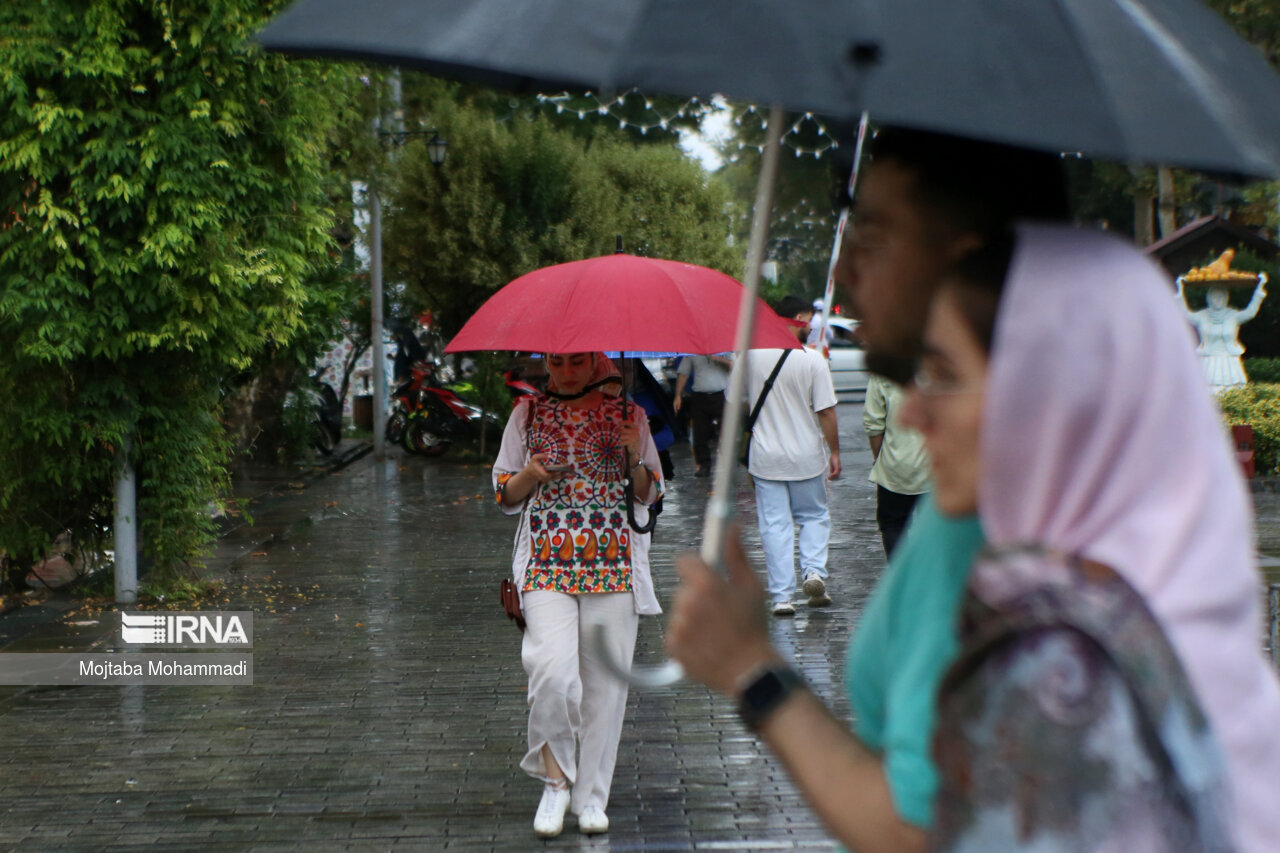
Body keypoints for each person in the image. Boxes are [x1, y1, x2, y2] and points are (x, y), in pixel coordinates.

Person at [665, 127, 1072, 852]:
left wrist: (753, 668)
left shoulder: (1053, 571)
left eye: (875, 232)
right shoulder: (964, 510)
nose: (846, 269)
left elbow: (918, 829)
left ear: (961, 249)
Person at [903, 225, 1280, 849]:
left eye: (944, 374)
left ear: (1049, 396)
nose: (913, 411)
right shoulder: (1187, 595)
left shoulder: (1058, 667)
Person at [492, 352, 663, 838]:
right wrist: (531, 474)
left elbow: (650, 493)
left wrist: (633, 457)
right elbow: (504, 490)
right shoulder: (526, 414)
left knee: (605, 691)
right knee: (550, 671)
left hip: (613, 566)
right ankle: (554, 781)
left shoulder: (631, 416)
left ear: (595, 363)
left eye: (577, 362)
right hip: (546, 565)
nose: (567, 371)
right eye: (558, 362)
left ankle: (592, 798)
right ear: (548, 363)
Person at [738, 295, 840, 615]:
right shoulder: (813, 360)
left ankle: (782, 597)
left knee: (774, 526)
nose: (812, 326)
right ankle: (813, 572)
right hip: (807, 457)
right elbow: (826, 412)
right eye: (809, 319)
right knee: (813, 517)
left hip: (765, 458)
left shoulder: (748, 359)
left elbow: (737, 405)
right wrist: (834, 451)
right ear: (796, 318)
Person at [862, 373, 929, 557]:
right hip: (937, 465)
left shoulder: (884, 369)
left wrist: (879, 458)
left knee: (893, 524)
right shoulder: (943, 360)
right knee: (936, 529)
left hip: (895, 464)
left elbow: (873, 424)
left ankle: (902, 577)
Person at [1177, 278, 1268, 392]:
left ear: (1226, 298)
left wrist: (1259, 291)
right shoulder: (1202, 316)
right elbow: (1185, 314)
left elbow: (1250, 312)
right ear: (1209, 299)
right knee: (1206, 391)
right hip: (1208, 360)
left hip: (1229, 360)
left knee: (1233, 390)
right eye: (1214, 297)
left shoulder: (1233, 315)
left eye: (1220, 297)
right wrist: (1180, 293)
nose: (1217, 300)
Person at [673, 353, 732, 476]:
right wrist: (678, 395)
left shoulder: (723, 348)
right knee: (699, 433)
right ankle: (704, 465)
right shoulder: (692, 352)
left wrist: (718, 359)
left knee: (727, 431)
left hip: (721, 395)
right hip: (700, 396)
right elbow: (683, 373)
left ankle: (728, 463)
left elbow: (734, 366)